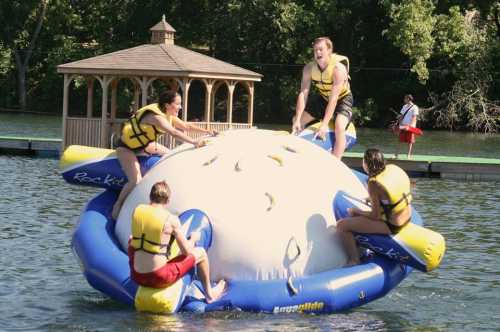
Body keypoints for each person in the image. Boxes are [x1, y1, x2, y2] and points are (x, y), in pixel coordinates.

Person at [112, 90, 217, 220]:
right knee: (136, 180)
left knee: (170, 155)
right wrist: (194, 142)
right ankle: (118, 204)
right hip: (126, 148)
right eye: (178, 104)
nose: (180, 107)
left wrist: (207, 131)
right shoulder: (155, 117)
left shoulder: (168, 115)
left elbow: (185, 126)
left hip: (144, 145)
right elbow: (173, 132)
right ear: (167, 105)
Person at [128, 180, 226, 302]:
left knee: (132, 240)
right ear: (168, 201)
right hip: (158, 277)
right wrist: (193, 239)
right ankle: (210, 295)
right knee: (200, 253)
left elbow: (134, 240)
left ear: (150, 197)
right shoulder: (171, 220)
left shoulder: (137, 211)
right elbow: (186, 252)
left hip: (136, 275)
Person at [335, 149, 413, 266]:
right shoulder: (390, 171)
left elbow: (375, 215)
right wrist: (372, 199)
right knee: (357, 217)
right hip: (407, 217)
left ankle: (354, 259)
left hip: (393, 225)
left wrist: (356, 211)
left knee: (342, 226)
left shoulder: (374, 183)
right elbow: (391, 197)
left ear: (366, 164)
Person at [292, 36, 353, 159]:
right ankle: (296, 153)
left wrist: (324, 125)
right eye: (315, 50)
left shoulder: (338, 69)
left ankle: (336, 161)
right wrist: (298, 119)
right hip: (324, 98)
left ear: (329, 50)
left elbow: (334, 98)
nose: (317, 53)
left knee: (339, 126)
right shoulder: (309, 69)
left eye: (321, 49)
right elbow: (303, 93)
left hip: (342, 99)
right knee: (296, 120)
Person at [395, 94, 419, 158]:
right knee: (400, 140)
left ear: (408, 99)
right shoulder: (404, 106)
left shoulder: (415, 107)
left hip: (410, 127)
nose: (404, 100)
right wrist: (399, 123)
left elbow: (414, 117)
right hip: (403, 125)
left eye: (405, 99)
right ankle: (396, 155)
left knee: (410, 141)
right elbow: (401, 116)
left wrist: (409, 127)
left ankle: (408, 155)